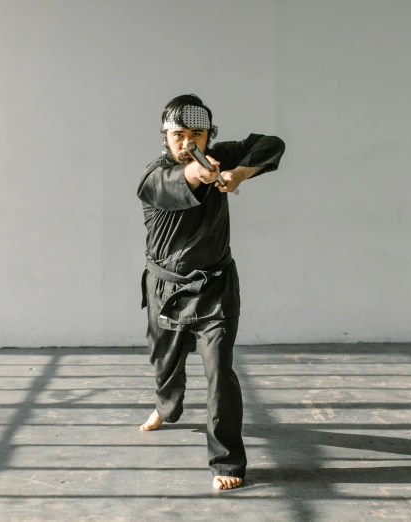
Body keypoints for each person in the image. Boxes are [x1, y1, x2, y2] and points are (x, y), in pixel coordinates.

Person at [136, 94, 286, 490]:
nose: (188, 144)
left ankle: (227, 462)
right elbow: (177, 182)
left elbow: (271, 143)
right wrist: (201, 175)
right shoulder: (155, 176)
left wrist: (241, 174)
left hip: (216, 287)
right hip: (165, 288)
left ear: (209, 134)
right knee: (165, 363)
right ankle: (166, 408)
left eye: (197, 134)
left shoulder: (220, 155)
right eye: (178, 135)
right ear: (165, 137)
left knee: (220, 371)